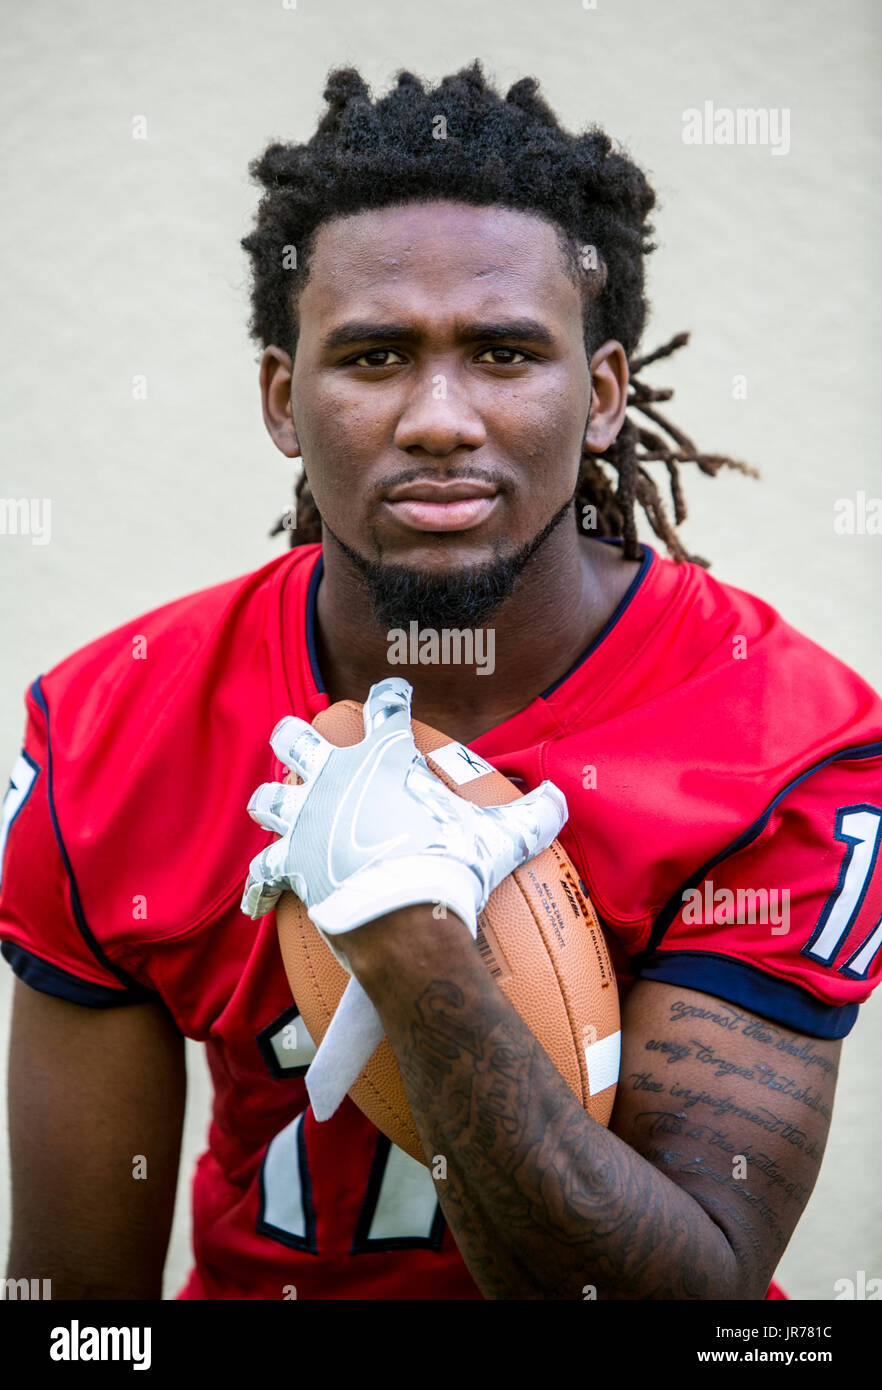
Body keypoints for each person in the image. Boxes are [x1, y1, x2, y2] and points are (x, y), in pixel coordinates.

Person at [2, 62, 880, 1301]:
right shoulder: (113, 728)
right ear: (282, 399)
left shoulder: (784, 737)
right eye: (371, 357)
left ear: (604, 397)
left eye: (506, 353)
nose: (439, 417)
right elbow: (76, 1317)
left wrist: (418, 953)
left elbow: (700, 1294)